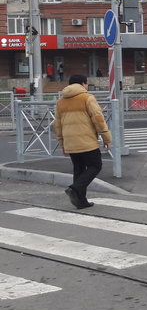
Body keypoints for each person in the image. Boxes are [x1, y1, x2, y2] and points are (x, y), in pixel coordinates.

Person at [53, 74, 112, 209]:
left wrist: (62, 144)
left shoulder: (60, 102)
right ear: (82, 84)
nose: (87, 86)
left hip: (70, 142)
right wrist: (106, 137)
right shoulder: (87, 98)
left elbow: (57, 125)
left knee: (78, 169)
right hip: (87, 140)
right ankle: (75, 188)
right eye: (86, 84)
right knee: (95, 165)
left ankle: (81, 201)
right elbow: (98, 119)